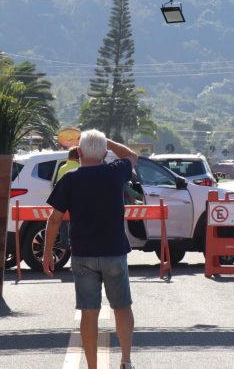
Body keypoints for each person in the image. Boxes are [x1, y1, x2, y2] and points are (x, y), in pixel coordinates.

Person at [44, 130, 138, 369]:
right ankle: (126, 360)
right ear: (105, 153)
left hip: (83, 254)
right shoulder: (115, 173)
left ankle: (92, 366)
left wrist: (47, 253)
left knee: (89, 311)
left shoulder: (71, 179)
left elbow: (54, 219)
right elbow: (131, 156)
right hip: (114, 251)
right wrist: (108, 142)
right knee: (122, 307)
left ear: (81, 152)